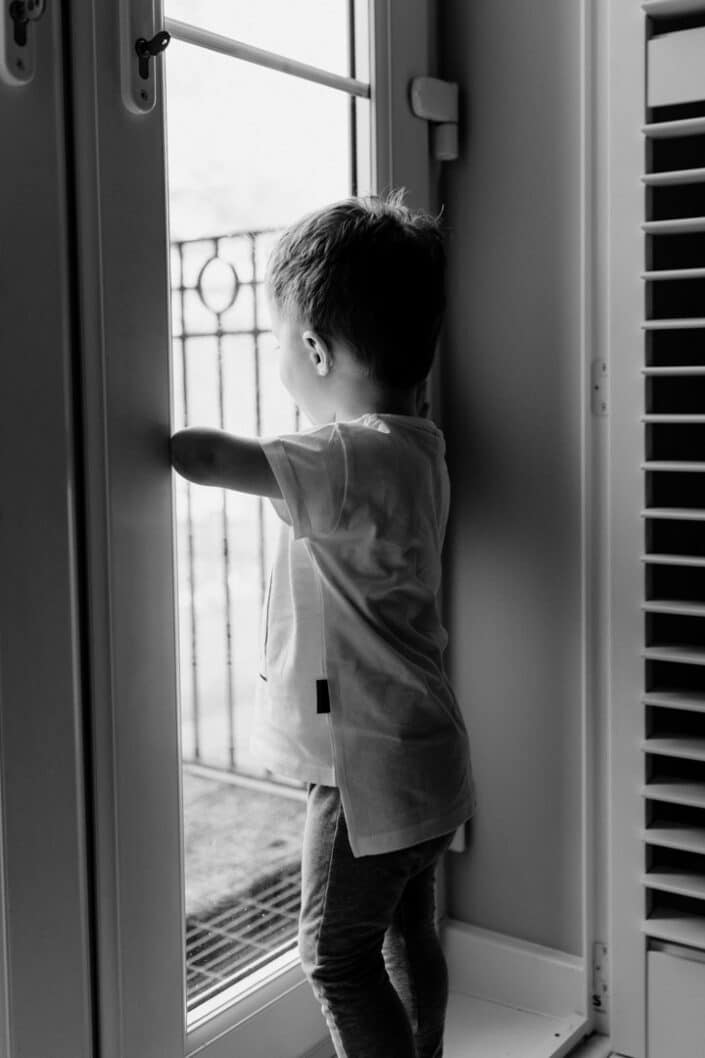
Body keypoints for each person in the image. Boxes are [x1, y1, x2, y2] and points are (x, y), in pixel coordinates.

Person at [170, 189, 477, 1058]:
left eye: (277, 342)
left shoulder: (345, 457)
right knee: (407, 929)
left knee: (332, 957)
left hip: (363, 775)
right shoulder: (418, 449)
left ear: (311, 348)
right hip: (426, 754)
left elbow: (201, 455)